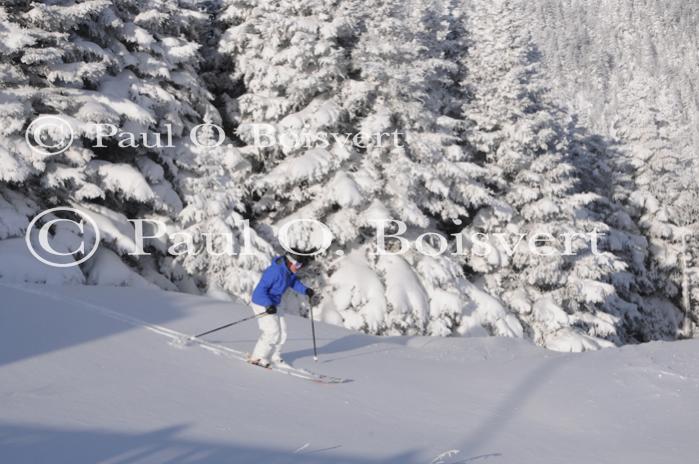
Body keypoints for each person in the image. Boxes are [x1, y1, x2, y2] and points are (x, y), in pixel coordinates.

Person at [248, 254, 315, 368]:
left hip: (275, 303)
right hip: (262, 302)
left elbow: (293, 282)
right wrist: (268, 305)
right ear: (290, 261)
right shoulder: (275, 271)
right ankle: (258, 357)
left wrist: (305, 290)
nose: (298, 267)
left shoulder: (288, 272)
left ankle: (274, 356)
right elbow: (260, 290)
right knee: (271, 331)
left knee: (282, 332)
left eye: (300, 265)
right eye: (297, 264)